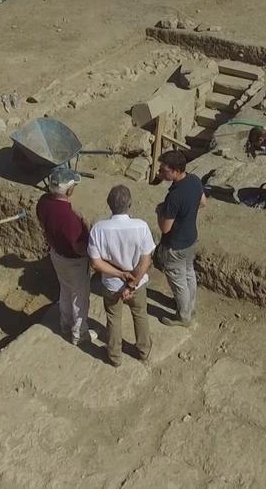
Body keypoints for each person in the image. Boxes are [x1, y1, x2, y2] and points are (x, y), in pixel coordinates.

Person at [87, 185, 155, 367]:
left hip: (111, 285)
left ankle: (115, 356)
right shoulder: (141, 227)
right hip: (137, 285)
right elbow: (145, 261)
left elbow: (95, 263)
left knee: (113, 318)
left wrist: (119, 274)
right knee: (140, 315)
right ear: (130, 203)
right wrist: (131, 285)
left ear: (109, 204)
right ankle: (143, 351)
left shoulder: (98, 229)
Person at [36, 167, 92, 345]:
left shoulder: (43, 202)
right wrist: (91, 252)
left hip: (56, 255)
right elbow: (78, 247)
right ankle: (79, 334)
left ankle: (65, 324)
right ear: (68, 190)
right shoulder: (68, 218)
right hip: (73, 262)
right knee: (79, 297)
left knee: (65, 290)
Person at [155, 150, 206, 328]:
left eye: (164, 170)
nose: (161, 173)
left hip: (175, 245)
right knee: (189, 273)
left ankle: (184, 317)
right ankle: (190, 307)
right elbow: (203, 203)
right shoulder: (194, 180)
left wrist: (160, 211)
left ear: (175, 171)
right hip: (191, 238)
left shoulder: (174, 197)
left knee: (178, 281)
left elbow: (165, 227)